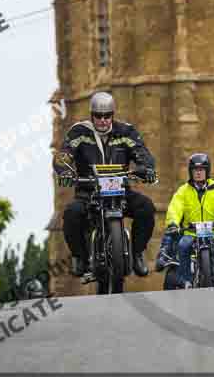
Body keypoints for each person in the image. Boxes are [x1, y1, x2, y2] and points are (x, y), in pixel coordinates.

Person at [53, 91, 157, 278]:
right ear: (92, 115)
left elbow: (142, 154)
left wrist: (147, 168)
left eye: (107, 116)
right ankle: (80, 258)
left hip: (121, 192)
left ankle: (137, 253)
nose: (102, 120)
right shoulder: (79, 132)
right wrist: (65, 171)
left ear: (112, 115)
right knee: (71, 213)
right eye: (98, 116)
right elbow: (63, 156)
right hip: (88, 192)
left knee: (146, 207)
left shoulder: (126, 131)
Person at [155, 153, 214, 289]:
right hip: (192, 233)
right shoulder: (183, 191)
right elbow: (174, 208)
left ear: (207, 171)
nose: (198, 173)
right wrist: (173, 223)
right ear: (190, 172)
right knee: (183, 244)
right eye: (195, 170)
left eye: (201, 170)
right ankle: (186, 279)